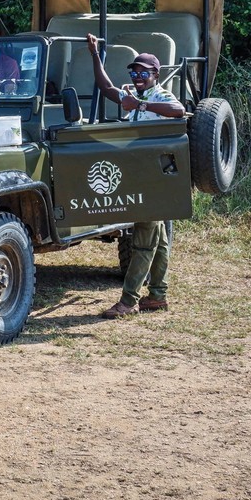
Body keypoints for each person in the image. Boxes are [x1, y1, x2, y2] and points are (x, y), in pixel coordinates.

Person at [84, 33, 185, 319]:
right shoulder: (132, 93)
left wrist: (140, 106)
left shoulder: (159, 96)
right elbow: (105, 86)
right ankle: (157, 295)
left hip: (156, 177)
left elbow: (179, 111)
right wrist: (95, 54)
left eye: (143, 72)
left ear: (155, 74)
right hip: (140, 174)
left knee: (143, 238)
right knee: (159, 237)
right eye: (134, 71)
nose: (138, 76)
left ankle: (128, 300)